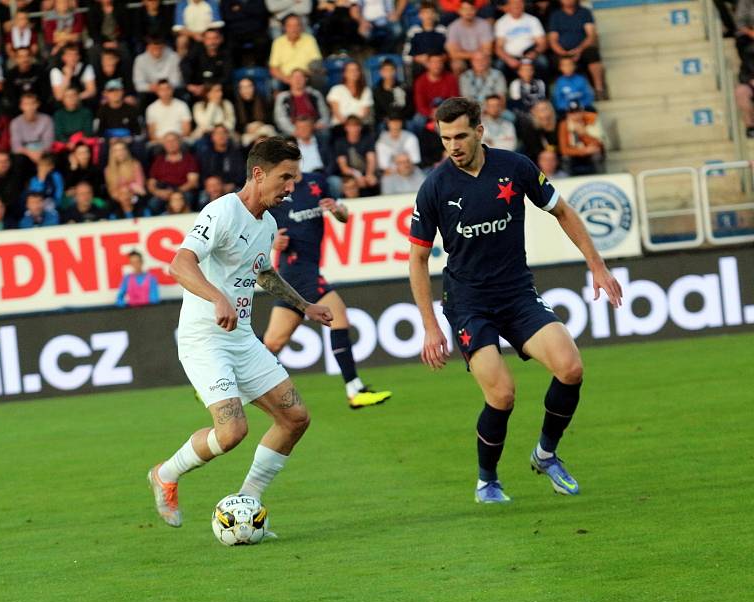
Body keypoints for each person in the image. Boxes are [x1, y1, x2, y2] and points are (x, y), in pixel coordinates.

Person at [408, 97, 622, 503]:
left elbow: (563, 211)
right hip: (469, 303)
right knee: (502, 394)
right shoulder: (435, 187)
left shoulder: (515, 167)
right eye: (445, 138)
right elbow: (418, 259)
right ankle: (487, 479)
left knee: (571, 367)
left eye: (460, 136)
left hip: (517, 293)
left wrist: (597, 264)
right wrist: (430, 325)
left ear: (479, 131)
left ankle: (546, 453)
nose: (452, 145)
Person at [147, 136, 333, 529]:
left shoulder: (266, 222)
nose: (291, 187)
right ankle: (165, 474)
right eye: (286, 178)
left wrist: (305, 306)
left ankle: (247, 502)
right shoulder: (223, 212)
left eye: (294, 178)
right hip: (204, 339)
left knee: (296, 418)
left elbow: (263, 273)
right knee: (232, 431)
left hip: (242, 339)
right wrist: (218, 298)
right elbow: (179, 264)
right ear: (258, 174)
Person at [264, 168, 392, 408]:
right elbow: (257, 228)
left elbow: (343, 215)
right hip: (296, 270)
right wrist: (272, 241)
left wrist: (338, 210)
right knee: (338, 315)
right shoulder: (276, 194)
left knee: (273, 343)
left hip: (304, 271)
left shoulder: (317, 182)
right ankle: (354, 389)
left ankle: (223, 379)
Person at [548, 0, 606, 99]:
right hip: (562, 51)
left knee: (593, 54)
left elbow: (591, 35)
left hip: (583, 49)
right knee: (551, 62)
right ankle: (561, 95)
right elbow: (553, 39)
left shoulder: (584, 12)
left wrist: (579, 50)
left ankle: (599, 90)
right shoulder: (555, 15)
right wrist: (563, 53)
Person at [494, 0, 548, 78]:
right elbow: (498, 47)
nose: (517, 6)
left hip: (530, 55)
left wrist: (535, 53)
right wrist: (508, 59)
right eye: (514, 3)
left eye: (520, 3)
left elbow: (542, 43)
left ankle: (542, 87)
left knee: (543, 62)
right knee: (499, 65)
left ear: (524, 5)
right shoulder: (501, 22)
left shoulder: (533, 20)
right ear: (508, 6)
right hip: (510, 56)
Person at [268, 14, 322, 86]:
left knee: (319, 78)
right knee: (274, 83)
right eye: (290, 26)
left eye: (297, 25)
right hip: (286, 78)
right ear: (284, 27)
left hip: (305, 77)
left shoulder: (309, 39)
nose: (294, 29)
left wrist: (301, 77)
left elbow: (316, 62)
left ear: (301, 27)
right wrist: (289, 80)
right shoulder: (278, 42)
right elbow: (273, 68)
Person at [445, 0, 493, 75]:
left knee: (485, 60)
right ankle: (461, 86)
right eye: (465, 9)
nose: (468, 12)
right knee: (457, 65)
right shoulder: (453, 27)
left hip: (481, 57)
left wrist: (477, 58)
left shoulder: (484, 25)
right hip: (464, 59)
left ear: (476, 10)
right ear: (459, 11)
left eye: (471, 9)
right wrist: (473, 55)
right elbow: (453, 53)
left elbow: (487, 50)